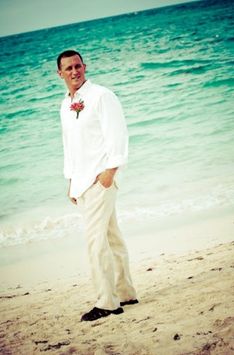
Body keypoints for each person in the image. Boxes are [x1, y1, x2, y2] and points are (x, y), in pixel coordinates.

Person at [57, 50, 138, 322]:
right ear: (60, 74)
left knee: (95, 241)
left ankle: (107, 302)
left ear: (85, 66)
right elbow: (69, 146)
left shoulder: (102, 96)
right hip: (82, 182)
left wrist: (110, 172)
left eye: (77, 66)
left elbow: (118, 134)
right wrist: (70, 180)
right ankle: (126, 292)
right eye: (68, 68)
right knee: (111, 236)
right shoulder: (65, 105)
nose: (74, 71)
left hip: (101, 179)